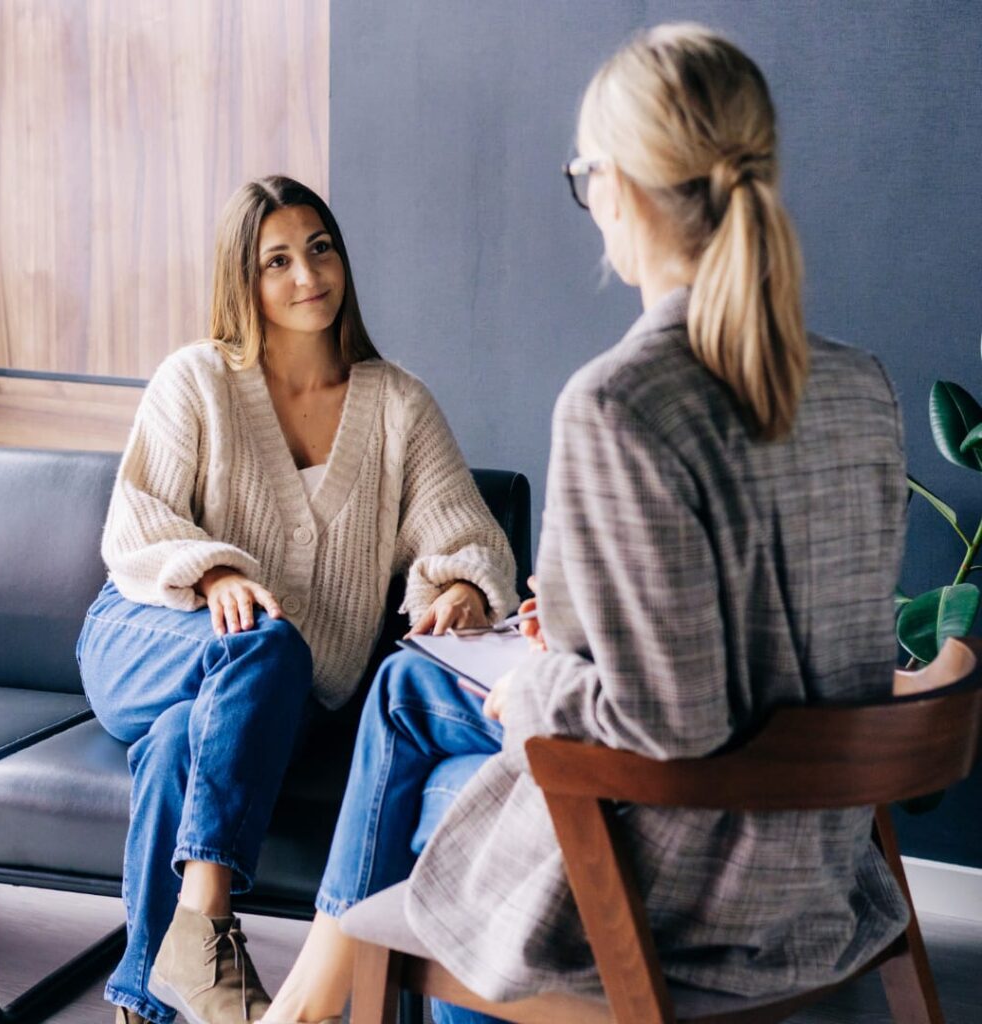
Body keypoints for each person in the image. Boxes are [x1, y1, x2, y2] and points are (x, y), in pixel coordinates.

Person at [259, 23, 909, 1024]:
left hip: (687, 881)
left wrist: (538, 687)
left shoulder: (621, 402)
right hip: (819, 869)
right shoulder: (859, 386)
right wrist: (572, 640)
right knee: (408, 684)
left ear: (616, 187)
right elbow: (791, 643)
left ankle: (326, 1002)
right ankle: (304, 1004)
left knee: (445, 827)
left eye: (583, 175)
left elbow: (670, 720)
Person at [76, 175, 518, 1024]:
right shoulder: (196, 379)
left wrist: (460, 585)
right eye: (276, 259)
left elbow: (464, 533)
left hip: (292, 694)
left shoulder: (397, 405)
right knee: (269, 642)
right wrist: (213, 574)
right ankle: (204, 929)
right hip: (149, 637)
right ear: (243, 279)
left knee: (186, 738)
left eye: (319, 248)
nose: (306, 274)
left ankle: (149, 998)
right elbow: (136, 524)